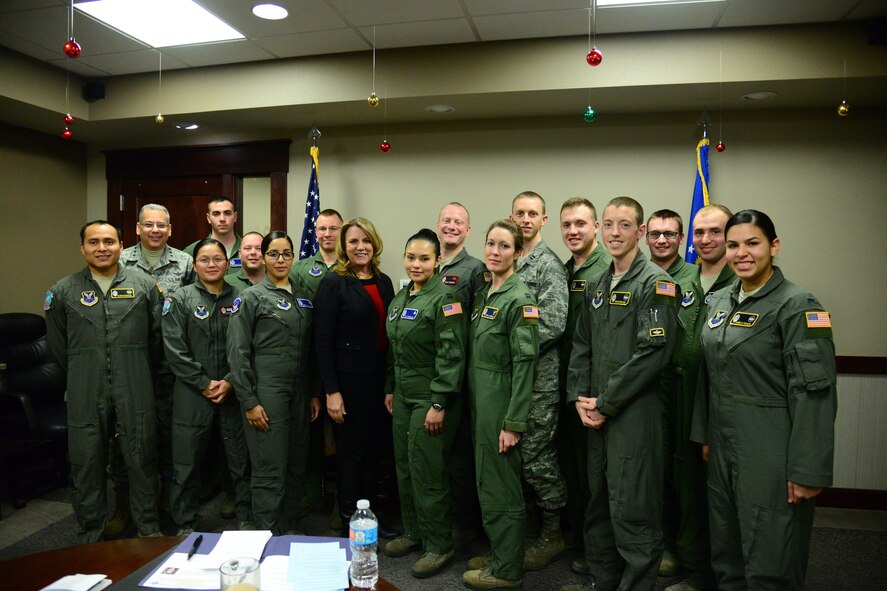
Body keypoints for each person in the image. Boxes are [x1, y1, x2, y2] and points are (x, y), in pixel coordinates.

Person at [691, 210, 836, 590]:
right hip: (723, 446)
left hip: (771, 449)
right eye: (733, 244)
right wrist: (705, 435)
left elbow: (814, 393)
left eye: (752, 243)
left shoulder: (799, 305)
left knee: (771, 553)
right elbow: (708, 375)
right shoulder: (720, 301)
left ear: (774, 246)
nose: (741, 253)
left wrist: (807, 470)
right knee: (727, 549)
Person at [563, 196, 679, 591]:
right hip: (593, 412)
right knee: (598, 503)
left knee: (633, 507)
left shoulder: (656, 284)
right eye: (609, 224)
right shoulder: (596, 284)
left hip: (633, 414)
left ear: (641, 232)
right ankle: (603, 581)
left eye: (624, 225)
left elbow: (654, 352)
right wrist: (580, 398)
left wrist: (607, 401)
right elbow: (582, 344)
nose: (615, 233)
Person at [44, 220, 162, 542]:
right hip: (85, 390)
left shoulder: (145, 286)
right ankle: (90, 535)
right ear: (82, 248)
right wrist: (86, 372)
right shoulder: (62, 291)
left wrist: (133, 368)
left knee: (142, 460)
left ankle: (148, 530)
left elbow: (156, 342)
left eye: (109, 241)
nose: (102, 248)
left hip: (136, 386)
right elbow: (58, 348)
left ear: (121, 246)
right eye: (93, 242)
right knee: (87, 465)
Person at [382, 229, 467, 578]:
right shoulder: (402, 298)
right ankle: (414, 531)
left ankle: (438, 544)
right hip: (402, 395)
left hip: (430, 397)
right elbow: (393, 351)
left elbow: (452, 355)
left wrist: (439, 402)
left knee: (428, 471)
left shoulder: (446, 300)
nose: (416, 264)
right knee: (404, 466)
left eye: (424, 259)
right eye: (411, 257)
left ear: (437, 262)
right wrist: (390, 387)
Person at [226, 231, 321, 534]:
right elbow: (237, 354)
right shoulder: (250, 298)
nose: (281, 260)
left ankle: (287, 526)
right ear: (263, 258)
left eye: (287, 254)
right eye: (274, 254)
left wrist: (314, 394)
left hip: (300, 392)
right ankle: (266, 531)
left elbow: (312, 350)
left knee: (295, 463)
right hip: (267, 393)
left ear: (294, 257)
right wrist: (249, 402)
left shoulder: (305, 295)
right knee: (269, 467)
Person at [463, 220, 539, 591]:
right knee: (486, 480)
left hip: (502, 405)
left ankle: (508, 570)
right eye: (491, 244)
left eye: (504, 246)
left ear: (518, 252)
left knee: (502, 487)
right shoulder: (486, 293)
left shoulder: (519, 299)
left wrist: (513, 422)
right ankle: (500, 552)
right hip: (481, 399)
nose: (495, 251)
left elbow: (526, 366)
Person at [110, 204, 193, 535]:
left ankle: (164, 505)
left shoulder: (185, 262)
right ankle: (122, 507)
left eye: (161, 225)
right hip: (131, 362)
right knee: (124, 439)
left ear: (170, 229)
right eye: (149, 224)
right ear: (137, 227)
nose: (155, 230)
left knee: (167, 438)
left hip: (169, 365)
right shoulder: (120, 259)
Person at [314, 217, 399, 538]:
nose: (360, 247)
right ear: (343, 247)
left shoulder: (383, 280)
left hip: (378, 380)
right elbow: (322, 342)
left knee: (375, 449)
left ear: (374, 243)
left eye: (365, 240)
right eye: (353, 242)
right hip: (348, 383)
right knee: (351, 453)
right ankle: (349, 518)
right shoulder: (333, 282)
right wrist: (332, 391)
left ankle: (369, 517)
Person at [664, 204, 734, 591]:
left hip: (718, 402)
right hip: (679, 395)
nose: (705, 240)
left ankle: (721, 574)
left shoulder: (736, 281)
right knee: (685, 484)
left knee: (717, 494)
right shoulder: (685, 281)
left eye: (715, 232)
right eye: (699, 232)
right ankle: (696, 570)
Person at [162, 239, 251, 534]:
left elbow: (248, 348)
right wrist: (203, 383)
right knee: (186, 461)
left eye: (217, 259)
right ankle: (186, 522)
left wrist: (229, 380)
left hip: (233, 390)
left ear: (228, 263)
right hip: (191, 391)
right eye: (204, 259)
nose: (211, 265)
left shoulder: (242, 297)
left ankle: (246, 516)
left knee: (239, 459)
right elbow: (174, 349)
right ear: (195, 264)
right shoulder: (180, 299)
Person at [510, 191, 569, 570]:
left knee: (537, 459)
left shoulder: (547, 265)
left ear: (543, 220)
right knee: (516, 459)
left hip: (538, 380)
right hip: (511, 380)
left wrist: (506, 344)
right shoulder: (507, 257)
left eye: (533, 214)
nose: (526, 219)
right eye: (520, 213)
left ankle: (553, 535)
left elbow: (552, 322)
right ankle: (528, 530)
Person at [557, 197, 610, 574]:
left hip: (594, 392)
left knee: (597, 478)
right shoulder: (565, 270)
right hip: (566, 386)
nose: (573, 231)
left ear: (595, 227)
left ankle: (601, 555)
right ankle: (581, 540)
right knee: (574, 470)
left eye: (580, 224)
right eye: (567, 225)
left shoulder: (606, 269)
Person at [435, 201, 488, 545]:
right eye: (447, 220)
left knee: (459, 456)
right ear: (438, 225)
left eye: (459, 222)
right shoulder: (428, 261)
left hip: (462, 374)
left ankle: (465, 525)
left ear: (468, 230)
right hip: (434, 371)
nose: (452, 226)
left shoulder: (475, 269)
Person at [290, 208, 343, 296]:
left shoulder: (351, 266)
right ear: (316, 233)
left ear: (342, 231)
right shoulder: (298, 269)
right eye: (322, 229)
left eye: (333, 228)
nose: (327, 234)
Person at [185, 197, 242, 276]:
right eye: (216, 214)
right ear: (208, 218)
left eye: (227, 213)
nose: (222, 219)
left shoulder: (249, 249)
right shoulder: (191, 251)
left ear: (235, 217)